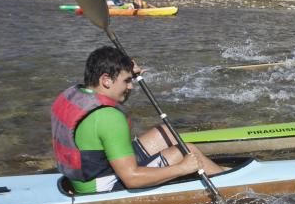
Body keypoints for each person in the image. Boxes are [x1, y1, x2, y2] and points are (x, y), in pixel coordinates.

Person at [51, 46, 226, 194]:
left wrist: (127, 71)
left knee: (165, 133)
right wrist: (183, 168)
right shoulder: (109, 117)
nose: (131, 86)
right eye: (127, 81)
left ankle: (222, 173)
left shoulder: (74, 94)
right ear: (105, 79)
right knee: (187, 152)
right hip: (101, 187)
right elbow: (132, 179)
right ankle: (231, 183)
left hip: (86, 173)